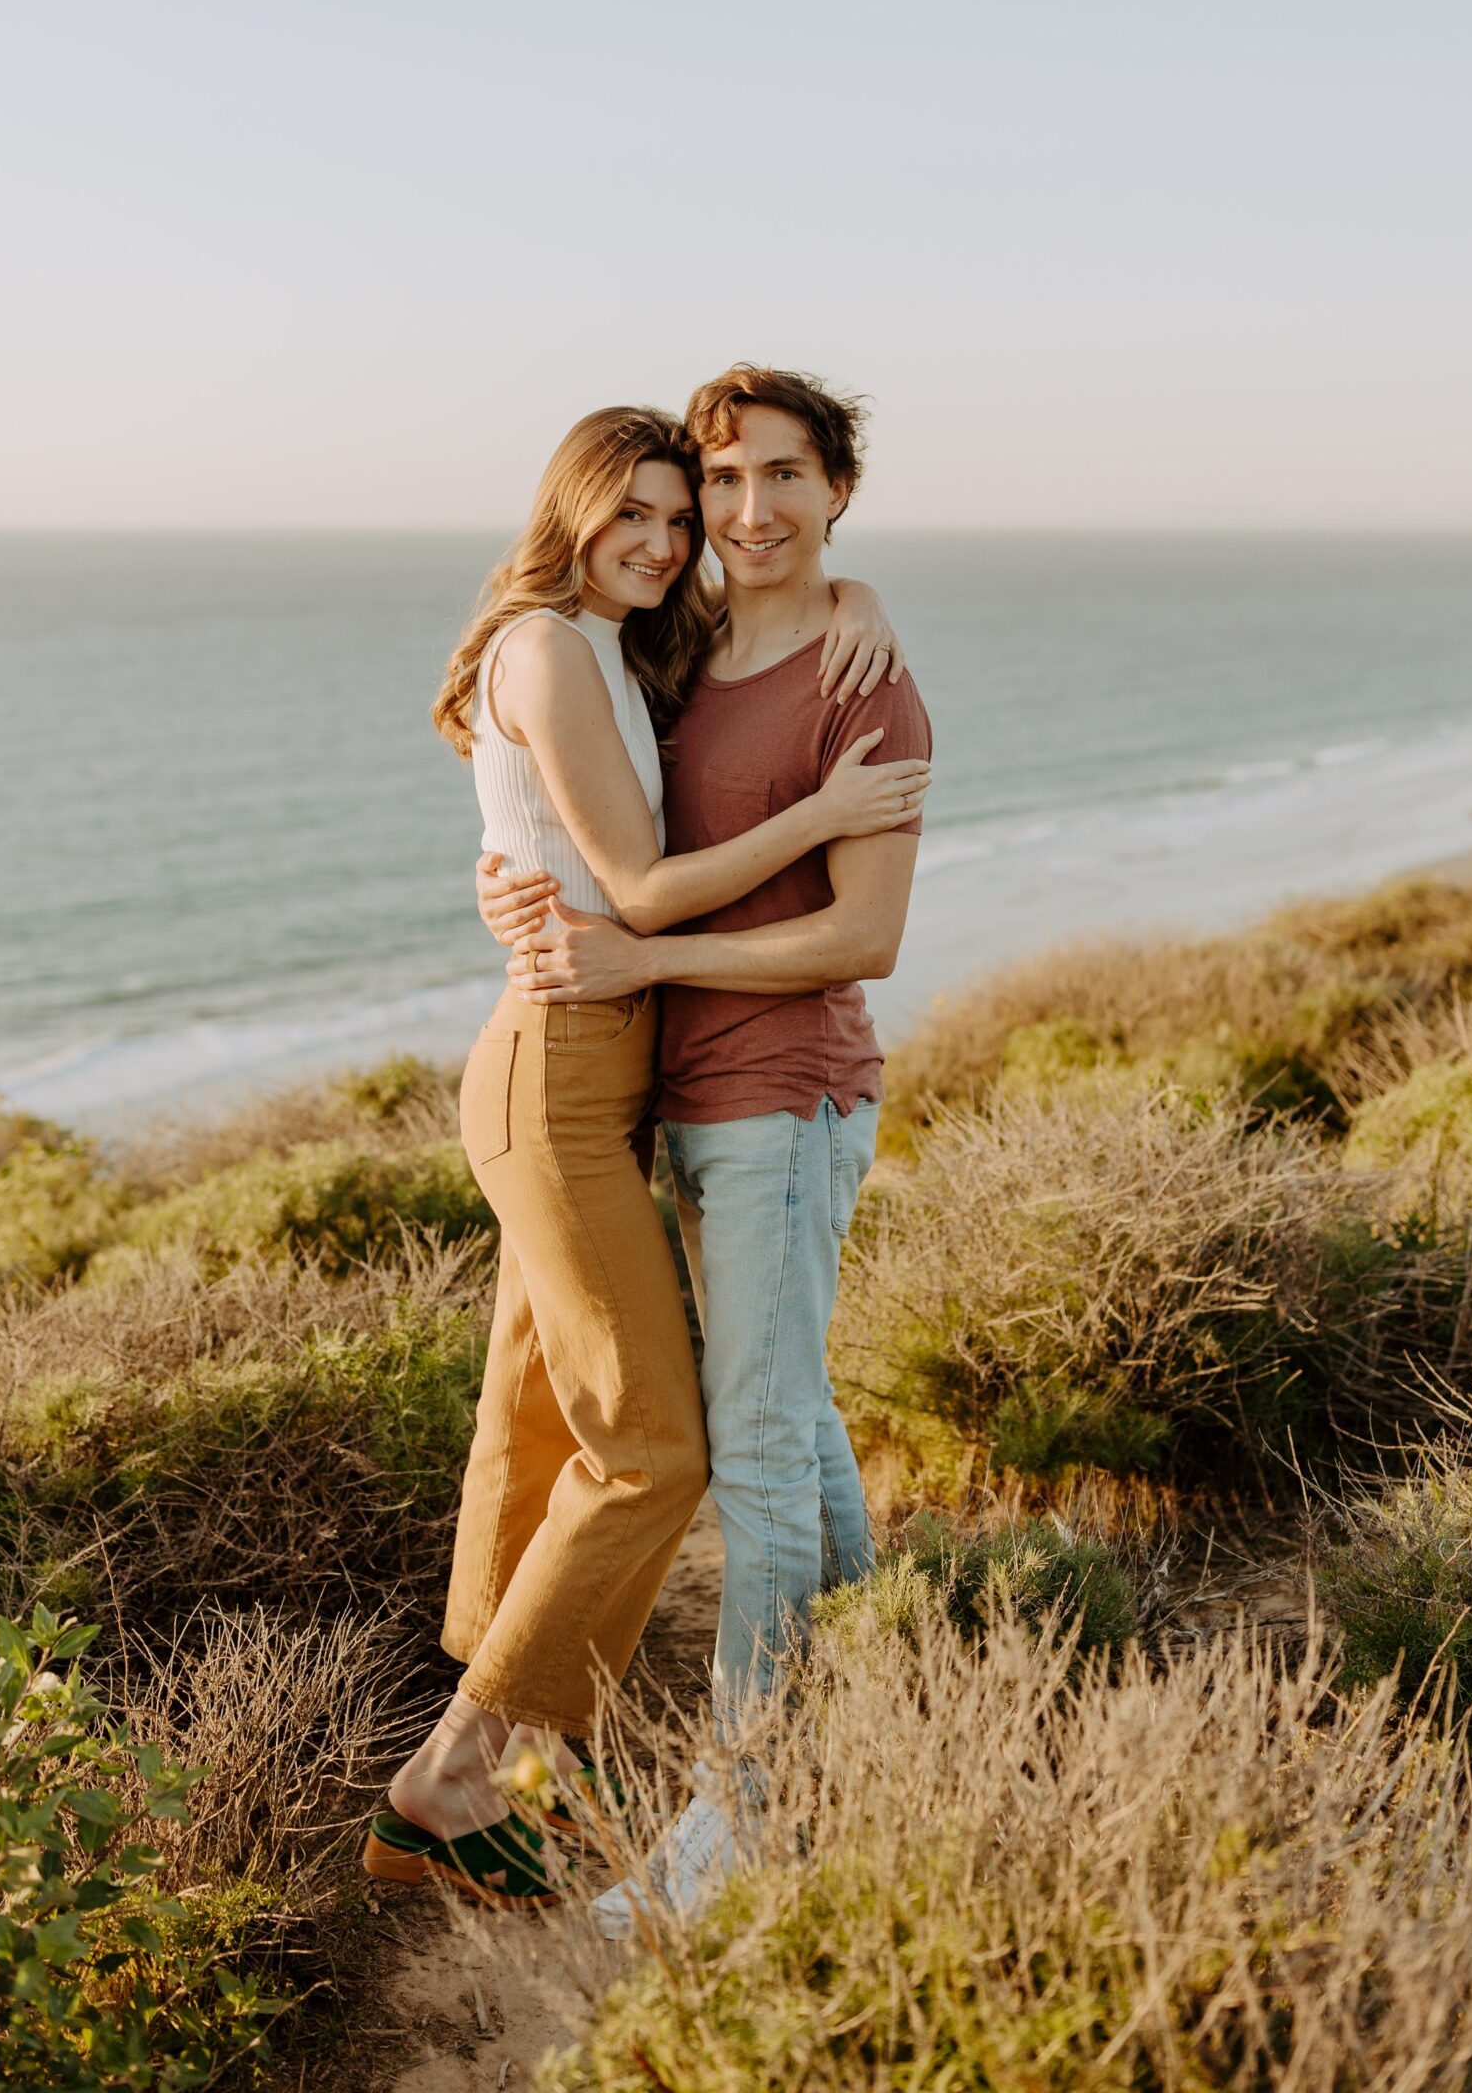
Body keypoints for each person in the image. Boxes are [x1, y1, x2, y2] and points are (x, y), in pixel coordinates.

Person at [362, 402, 926, 1907]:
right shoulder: (550, 642)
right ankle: (471, 1763)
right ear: (573, 504)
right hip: (561, 1066)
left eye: (683, 516)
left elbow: (759, 644)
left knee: (544, 1420)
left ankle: (523, 1752)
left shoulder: (636, 646)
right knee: (654, 1444)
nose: (669, 539)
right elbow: (633, 883)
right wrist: (816, 811)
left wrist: (855, 595)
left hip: (623, 1069)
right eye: (643, 510)